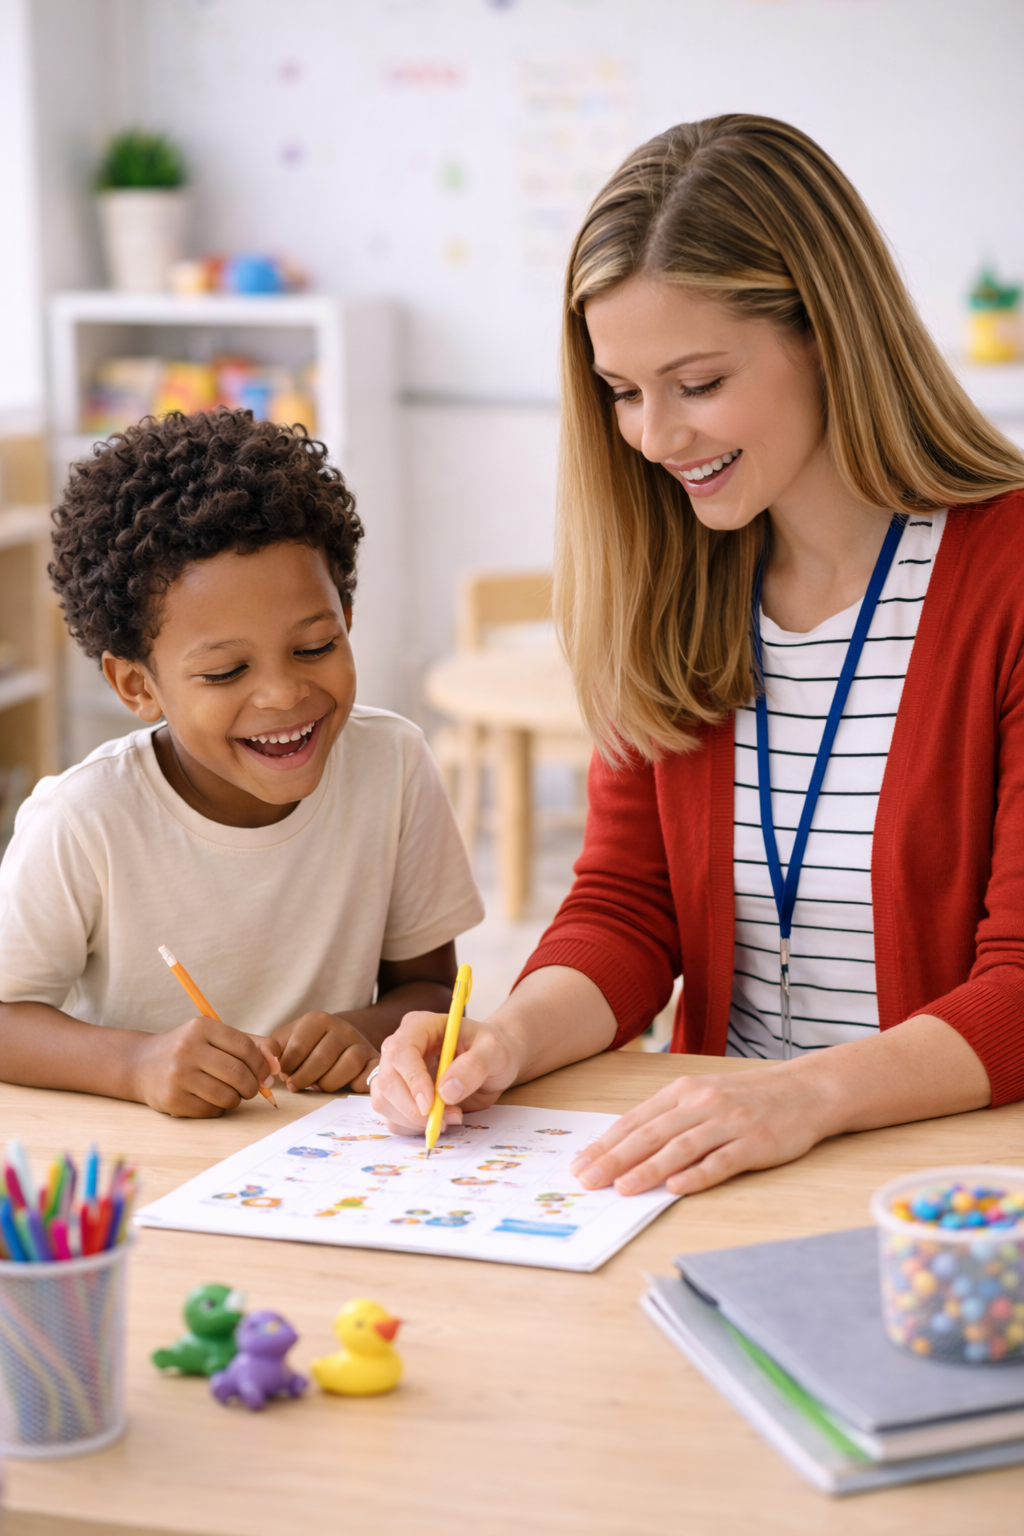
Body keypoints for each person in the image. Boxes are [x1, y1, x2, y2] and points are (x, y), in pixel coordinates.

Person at [372, 114, 1024, 1196]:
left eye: (698, 383)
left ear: (826, 331)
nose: (655, 437)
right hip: (726, 1166)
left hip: (950, 1191)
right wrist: (504, 1040)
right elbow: (628, 908)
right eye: (622, 392)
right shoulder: (678, 580)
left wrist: (806, 1094)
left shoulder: (1002, 574)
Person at [0, 409, 483, 1117]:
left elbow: (432, 992)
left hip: (322, 1163)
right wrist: (135, 1063)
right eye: (226, 672)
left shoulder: (394, 764)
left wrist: (365, 1031)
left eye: (315, 647)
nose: (285, 694)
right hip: (152, 1167)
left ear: (346, 615)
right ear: (137, 685)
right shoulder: (85, 818)